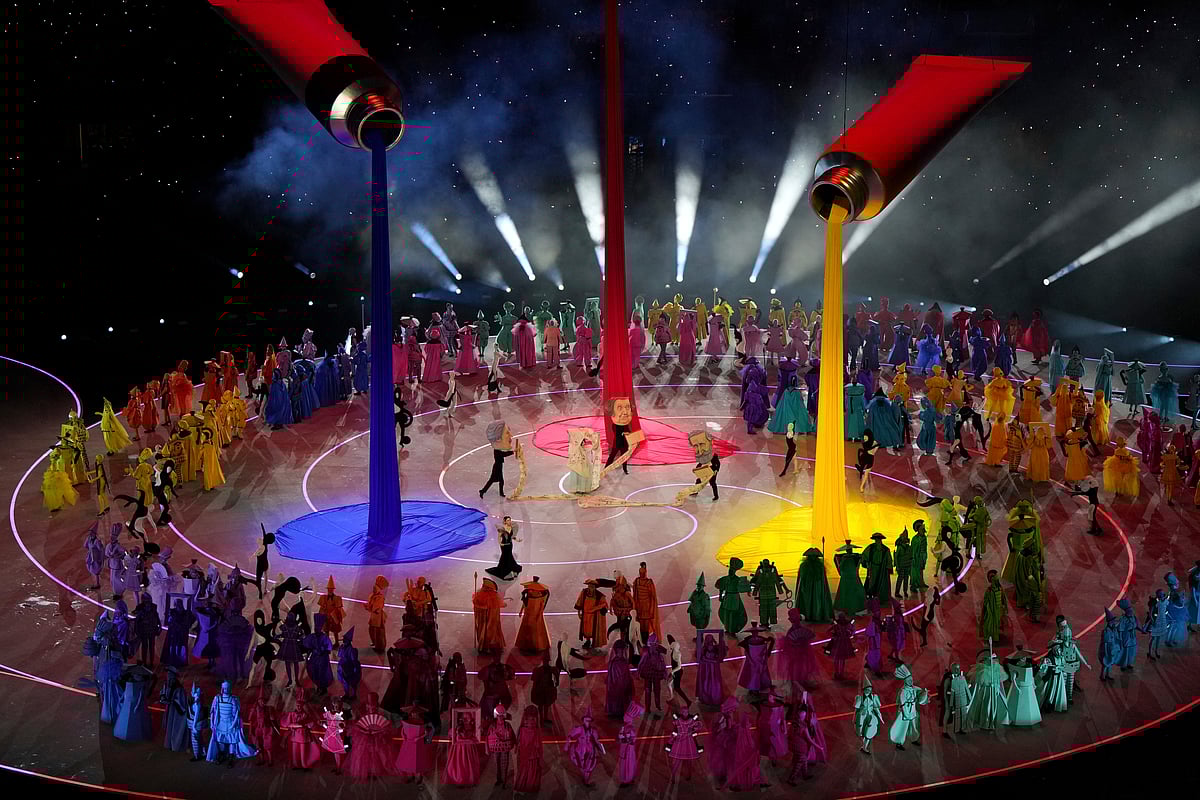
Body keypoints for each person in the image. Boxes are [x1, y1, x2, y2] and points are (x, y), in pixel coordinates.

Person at [206, 680, 257, 766]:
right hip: (220, 723)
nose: (225, 690)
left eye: (227, 688)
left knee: (232, 741)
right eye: (224, 688)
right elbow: (213, 712)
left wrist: (234, 724)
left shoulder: (234, 699)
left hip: (231, 723)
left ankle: (231, 756)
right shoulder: (217, 698)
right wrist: (212, 723)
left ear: (230, 689)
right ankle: (222, 754)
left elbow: (236, 713)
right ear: (222, 689)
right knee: (220, 740)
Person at [965, 650, 1009, 730]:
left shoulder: (996, 668)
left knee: (993, 706)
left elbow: (999, 680)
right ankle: (985, 723)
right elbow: (981, 682)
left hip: (994, 690)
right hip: (987, 691)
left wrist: (995, 686)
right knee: (986, 706)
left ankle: (992, 722)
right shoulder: (982, 670)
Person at [564, 711, 605, 786]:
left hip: (590, 751)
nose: (588, 722)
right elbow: (570, 736)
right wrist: (567, 745)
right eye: (586, 720)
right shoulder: (579, 729)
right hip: (580, 750)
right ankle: (584, 777)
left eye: (589, 721)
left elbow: (596, 741)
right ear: (583, 720)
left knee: (589, 766)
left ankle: (586, 780)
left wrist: (602, 749)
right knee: (581, 765)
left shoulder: (593, 731)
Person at [479, 421, 518, 498]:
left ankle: (499, 493)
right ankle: (483, 491)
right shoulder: (497, 450)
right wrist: (513, 452)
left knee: (499, 481)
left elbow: (503, 454)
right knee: (493, 480)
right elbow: (503, 454)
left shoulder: (497, 449)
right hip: (497, 467)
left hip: (498, 466)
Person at [472, 577, 506, 654]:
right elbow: (476, 603)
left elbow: (495, 608)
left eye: (484, 586)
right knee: (484, 630)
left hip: (490, 620)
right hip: (483, 618)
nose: (483, 587)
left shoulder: (493, 597)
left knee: (490, 631)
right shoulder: (480, 595)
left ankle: (490, 646)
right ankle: (485, 646)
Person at [832, 540, 866, 615]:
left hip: (847, 577)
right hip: (852, 576)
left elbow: (840, 567)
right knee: (854, 592)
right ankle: (856, 607)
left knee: (845, 592)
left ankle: (847, 608)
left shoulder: (845, 558)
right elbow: (857, 566)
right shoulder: (855, 557)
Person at [854, 676, 885, 754]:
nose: (869, 691)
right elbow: (856, 709)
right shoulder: (860, 697)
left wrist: (880, 717)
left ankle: (865, 747)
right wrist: (854, 718)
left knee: (869, 732)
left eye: (870, 689)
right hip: (862, 717)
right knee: (862, 732)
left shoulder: (874, 697)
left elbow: (876, 708)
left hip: (870, 717)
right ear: (864, 690)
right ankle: (864, 746)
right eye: (867, 689)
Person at [484, 517, 522, 581]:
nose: (509, 521)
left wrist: (517, 540)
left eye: (510, 520)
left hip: (510, 545)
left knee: (509, 556)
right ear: (505, 521)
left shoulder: (511, 528)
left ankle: (511, 569)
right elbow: (499, 537)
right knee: (504, 557)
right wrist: (500, 543)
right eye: (508, 520)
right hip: (504, 545)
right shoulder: (502, 528)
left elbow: (512, 537)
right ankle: (504, 571)